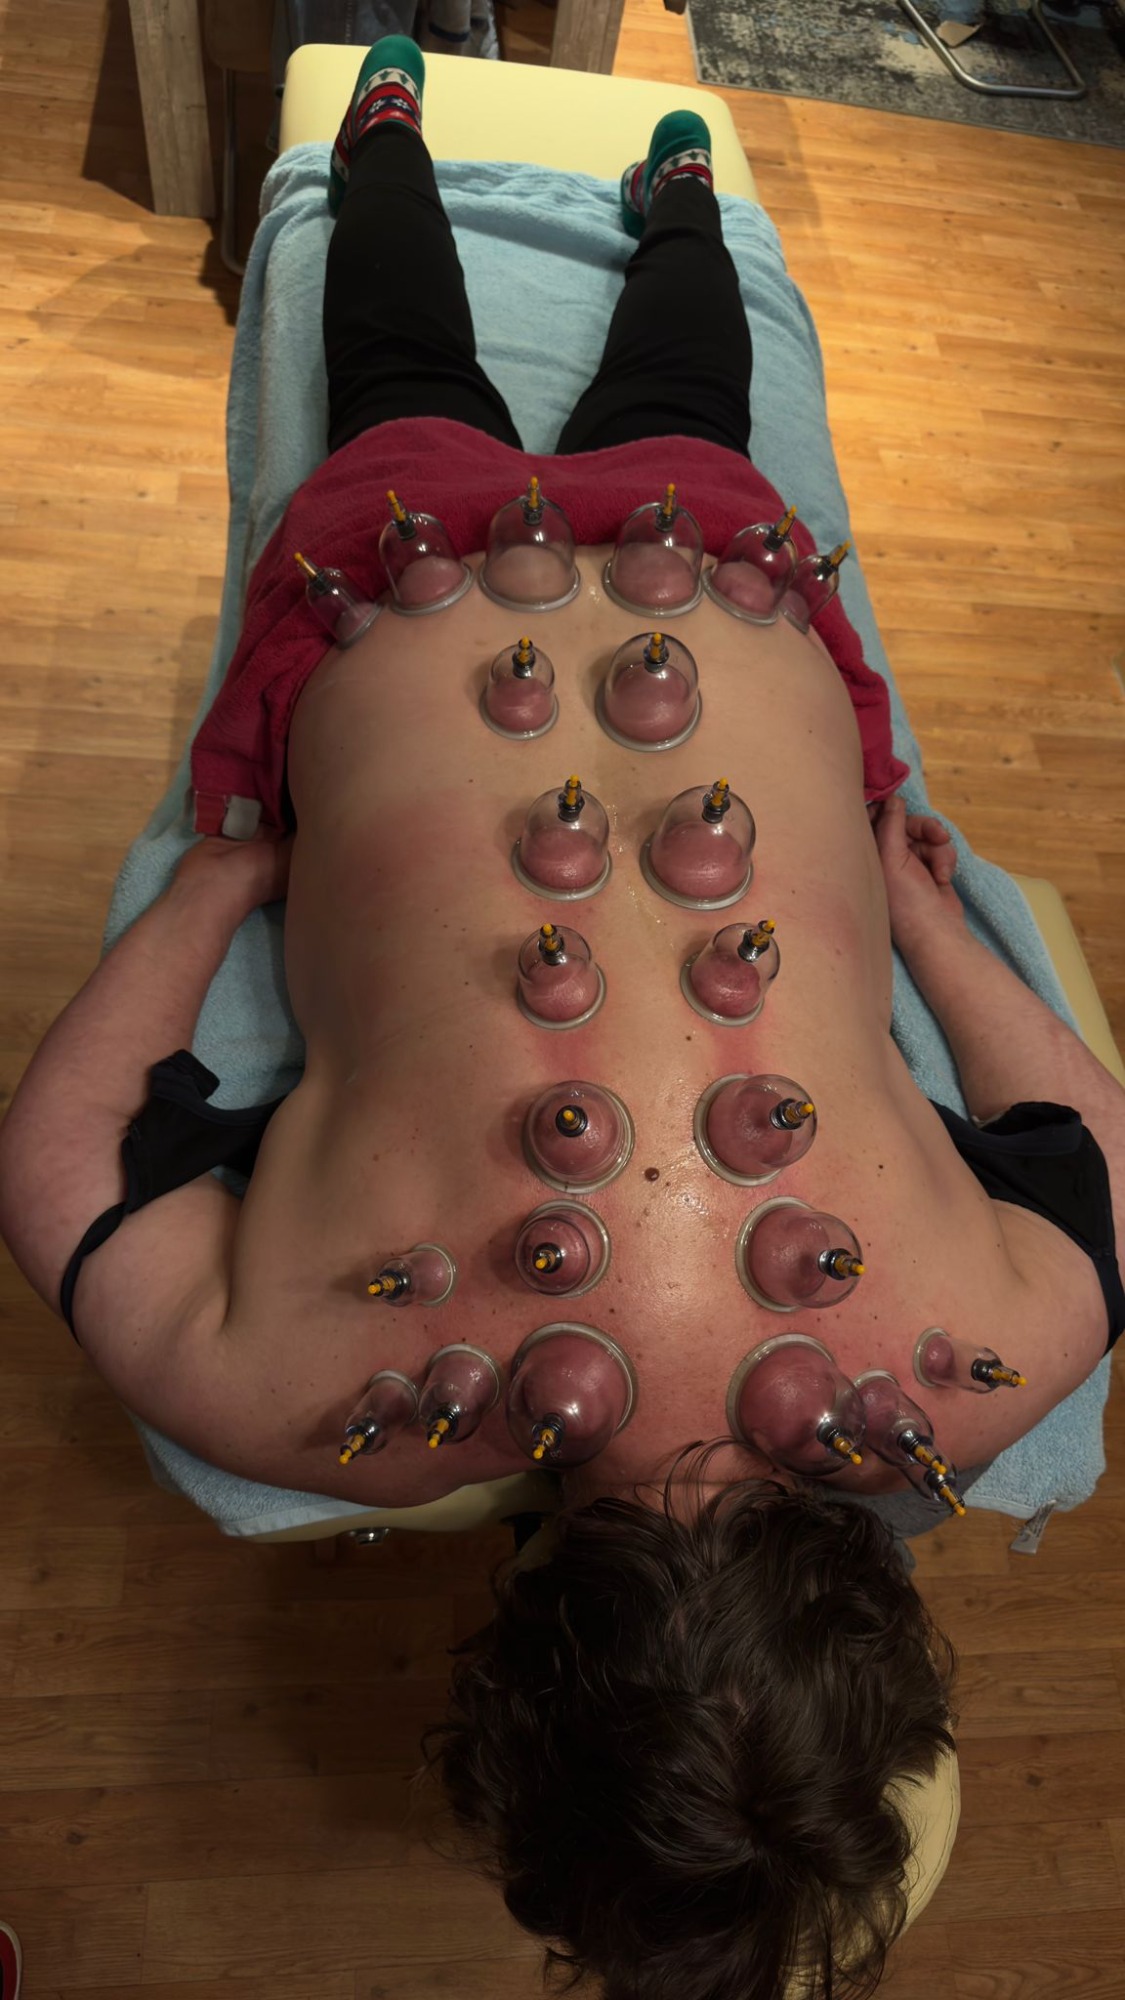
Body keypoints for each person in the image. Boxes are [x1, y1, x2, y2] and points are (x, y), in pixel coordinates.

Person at [0, 36, 1122, 1998]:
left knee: (682, 395)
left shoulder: (995, 1363)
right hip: (401, 583)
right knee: (398, 377)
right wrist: (210, 885)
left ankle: (680, 189)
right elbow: (56, 1159)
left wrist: (928, 923)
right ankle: (388, 132)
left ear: (868, 1637)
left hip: (724, 584)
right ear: (520, 1682)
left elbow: (1091, 1142)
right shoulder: (303, 1404)